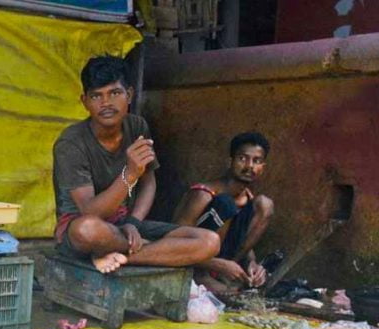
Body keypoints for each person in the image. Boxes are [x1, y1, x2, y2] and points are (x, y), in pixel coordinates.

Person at [52, 55, 219, 274]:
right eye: (96, 96)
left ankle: (120, 257)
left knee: (209, 241)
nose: (106, 103)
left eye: (115, 93)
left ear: (129, 95)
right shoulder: (71, 143)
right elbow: (89, 212)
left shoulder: (136, 126)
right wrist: (129, 175)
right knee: (87, 229)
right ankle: (154, 251)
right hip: (86, 231)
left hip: (125, 227)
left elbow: (149, 182)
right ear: (85, 101)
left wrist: (133, 222)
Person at [173, 132, 274, 294]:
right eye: (242, 158)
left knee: (265, 205)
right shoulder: (203, 194)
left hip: (226, 264)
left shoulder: (249, 199)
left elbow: (241, 237)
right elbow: (174, 242)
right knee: (225, 204)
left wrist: (252, 264)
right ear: (230, 161)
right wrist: (214, 264)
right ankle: (203, 276)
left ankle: (225, 275)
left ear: (263, 167)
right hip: (195, 261)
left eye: (257, 161)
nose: (250, 166)